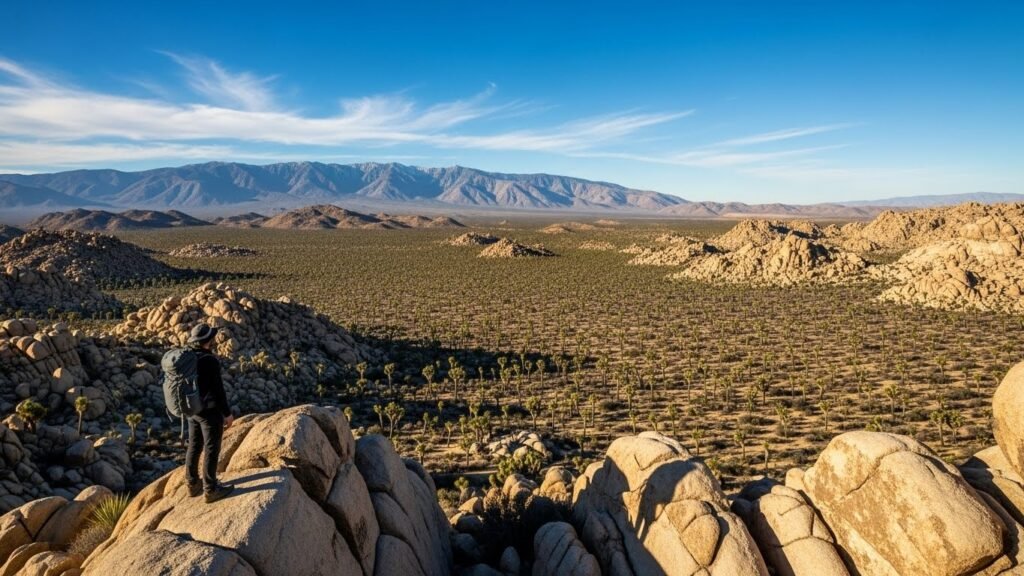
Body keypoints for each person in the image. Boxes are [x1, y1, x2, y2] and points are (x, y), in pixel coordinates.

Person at [183, 323, 235, 503]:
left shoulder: (188, 357)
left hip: (191, 409)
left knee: (194, 445)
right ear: (208, 340)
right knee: (211, 449)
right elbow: (218, 390)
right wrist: (227, 414)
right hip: (208, 411)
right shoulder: (209, 360)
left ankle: (191, 484)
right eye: (211, 337)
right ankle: (210, 489)